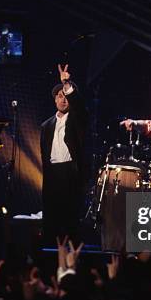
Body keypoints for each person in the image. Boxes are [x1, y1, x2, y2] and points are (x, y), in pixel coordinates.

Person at [40, 64, 89, 246]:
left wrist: (67, 84)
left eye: (66, 96)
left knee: (70, 223)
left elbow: (80, 109)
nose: (63, 100)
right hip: (52, 174)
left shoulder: (77, 120)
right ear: (54, 99)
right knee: (51, 223)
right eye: (60, 96)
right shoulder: (46, 126)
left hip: (70, 174)